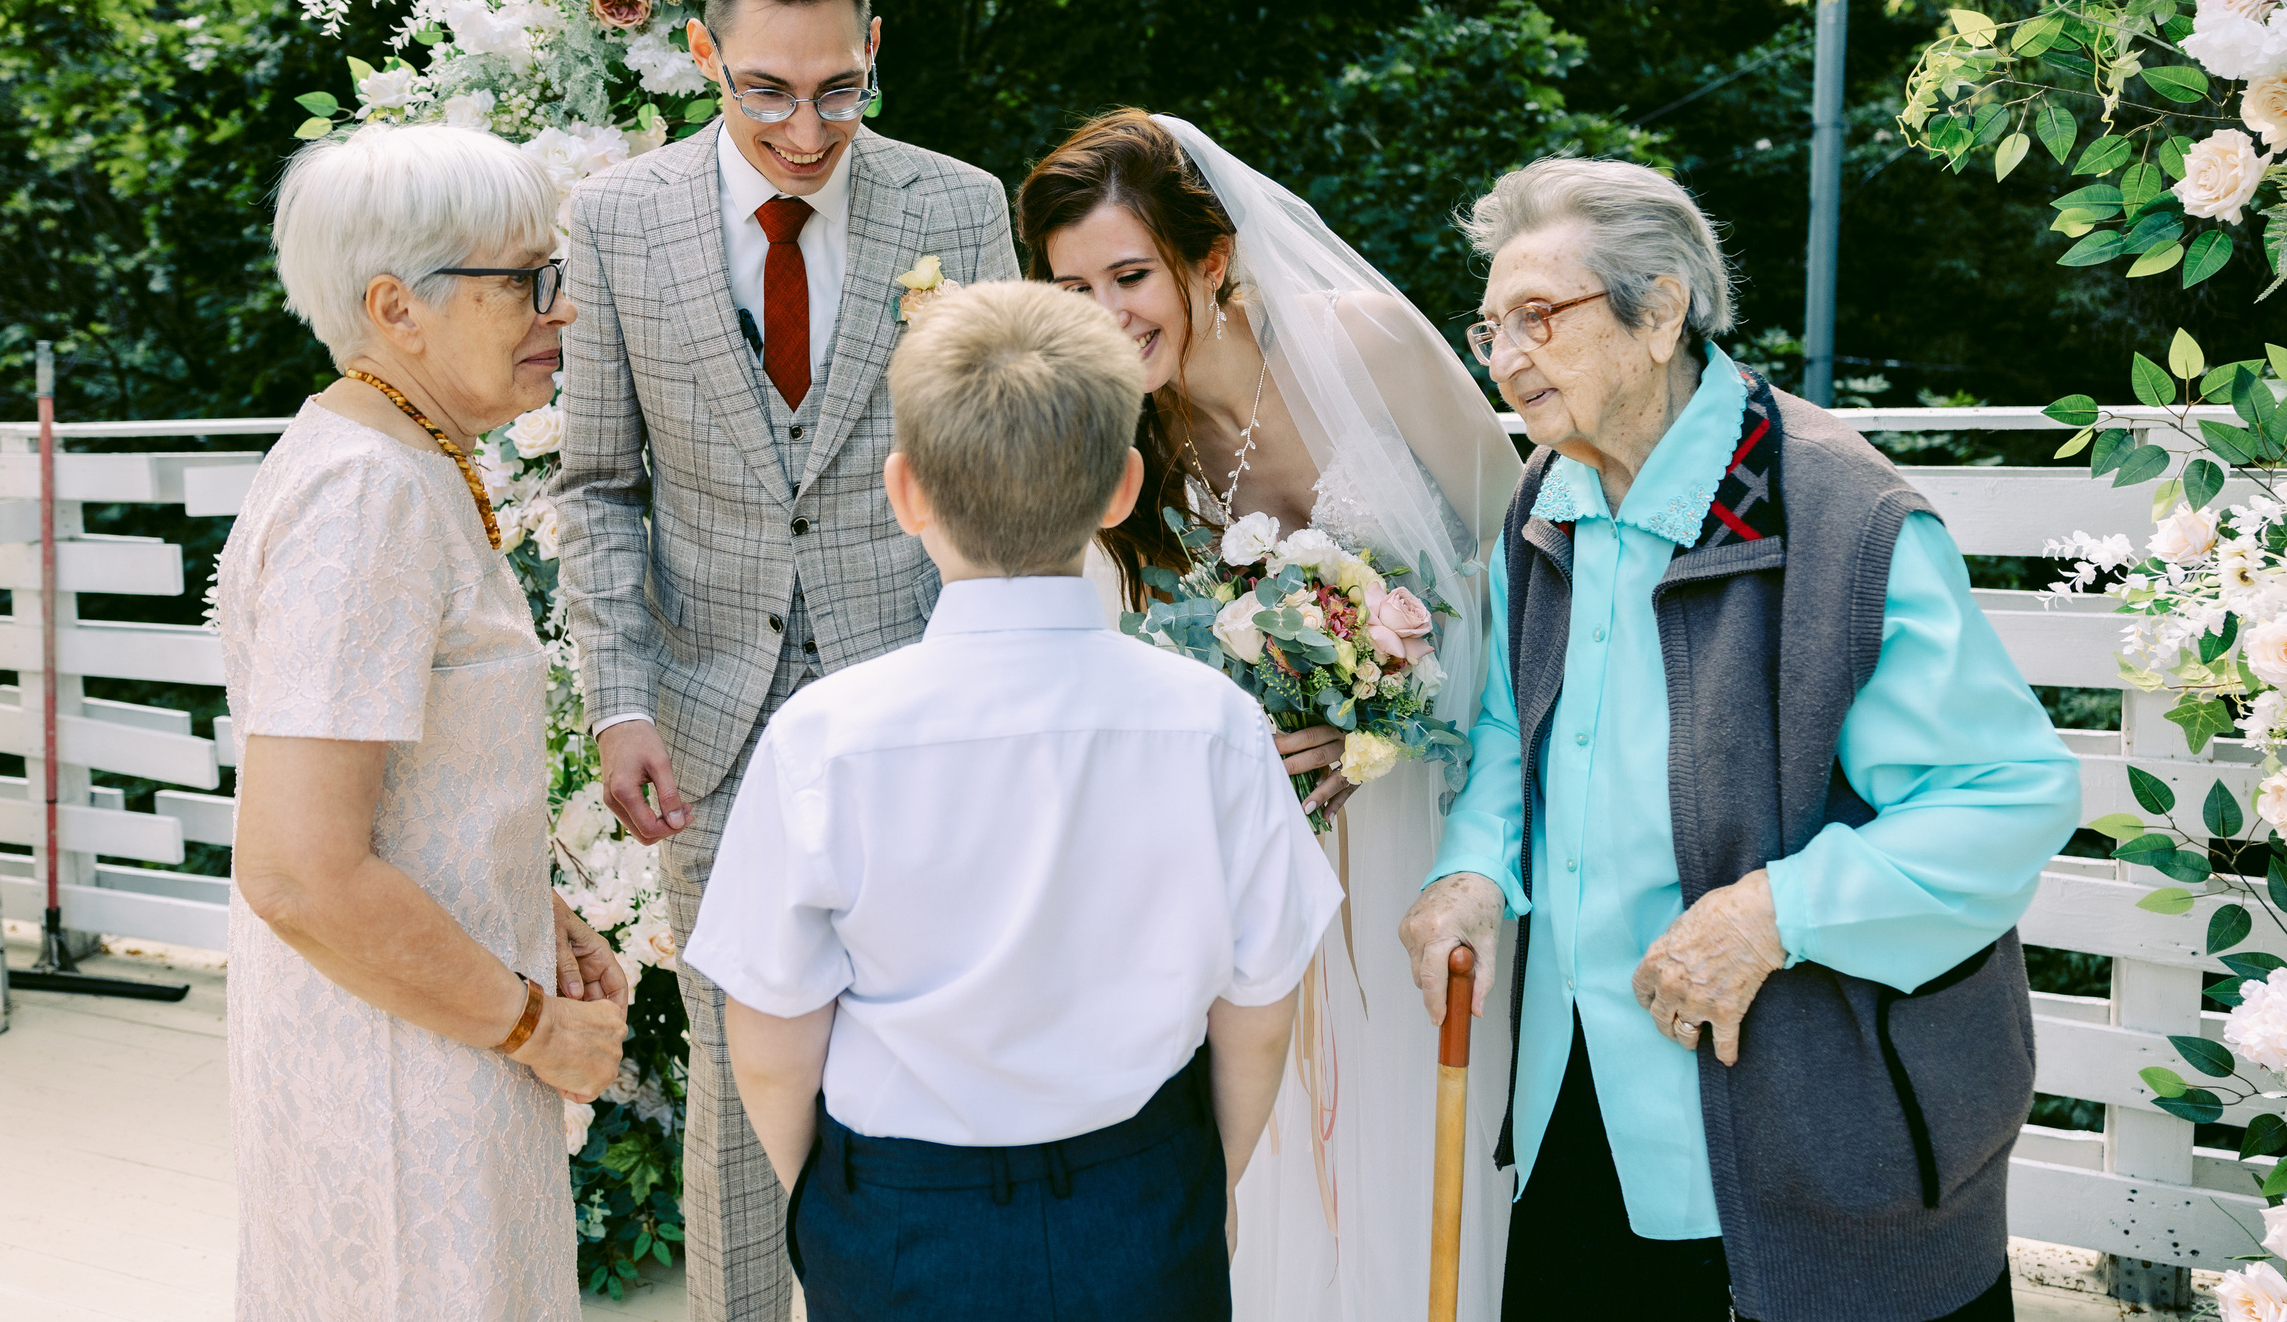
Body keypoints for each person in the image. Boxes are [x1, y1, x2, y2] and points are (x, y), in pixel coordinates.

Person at [1399, 158, 2081, 1322]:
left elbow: (2005, 794)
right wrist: (1470, 869)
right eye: (1488, 326)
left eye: (1538, 319)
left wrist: (1771, 913)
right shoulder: (1545, 499)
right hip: (1583, 1111)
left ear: (1657, 312)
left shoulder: (1838, 516)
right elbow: (1516, 725)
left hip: (1808, 1137)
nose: (1504, 358)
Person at [683, 281, 1346, 1320]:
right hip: (1142, 1192)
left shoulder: (823, 738)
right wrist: (1200, 1186)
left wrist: (834, 1206)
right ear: (1122, 487)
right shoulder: (1211, 722)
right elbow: (1258, 1014)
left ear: (904, 493)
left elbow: (768, 1043)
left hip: (899, 1215)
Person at [550, 0, 1018, 1321]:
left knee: (931, 1046)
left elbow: (1000, 473)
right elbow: (593, 485)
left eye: (837, 89)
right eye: (766, 92)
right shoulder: (616, 221)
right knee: (731, 1060)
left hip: (925, 707)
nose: (805, 130)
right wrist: (619, 696)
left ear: (872, 47)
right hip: (711, 720)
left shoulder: (960, 207)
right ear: (703, 51)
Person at [1018, 110, 1525, 1321]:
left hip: (1418, 813)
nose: (1104, 315)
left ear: (1210, 258)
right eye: (1070, 286)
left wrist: (1388, 713)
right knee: (1268, 1137)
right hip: (1230, 843)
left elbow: (1517, 565)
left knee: (1412, 1111)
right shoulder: (1107, 422)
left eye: (1129, 277)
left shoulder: (1362, 345)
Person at [222, 122, 629, 1322]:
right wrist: (535, 1029)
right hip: (405, 1066)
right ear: (397, 307)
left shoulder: (401, 459)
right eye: (527, 283)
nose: (560, 311)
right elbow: (298, 869)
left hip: (430, 1018)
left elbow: (407, 791)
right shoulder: (367, 495)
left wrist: (533, 912)